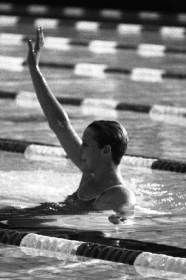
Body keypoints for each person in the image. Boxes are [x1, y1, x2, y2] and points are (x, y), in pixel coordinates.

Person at [26, 27, 136, 224]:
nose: (80, 149)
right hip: (44, 223)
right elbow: (60, 124)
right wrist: (34, 69)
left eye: (86, 144)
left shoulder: (121, 196)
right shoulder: (90, 171)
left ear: (105, 151)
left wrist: (122, 223)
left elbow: (126, 223)